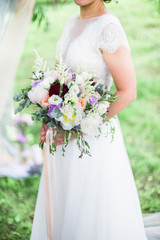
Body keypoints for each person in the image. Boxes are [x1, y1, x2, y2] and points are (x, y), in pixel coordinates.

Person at [31, 0, 148, 239]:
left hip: (91, 141)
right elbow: (61, 78)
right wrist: (49, 115)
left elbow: (128, 92)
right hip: (62, 132)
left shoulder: (108, 27)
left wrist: (75, 131)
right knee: (66, 205)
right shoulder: (72, 21)